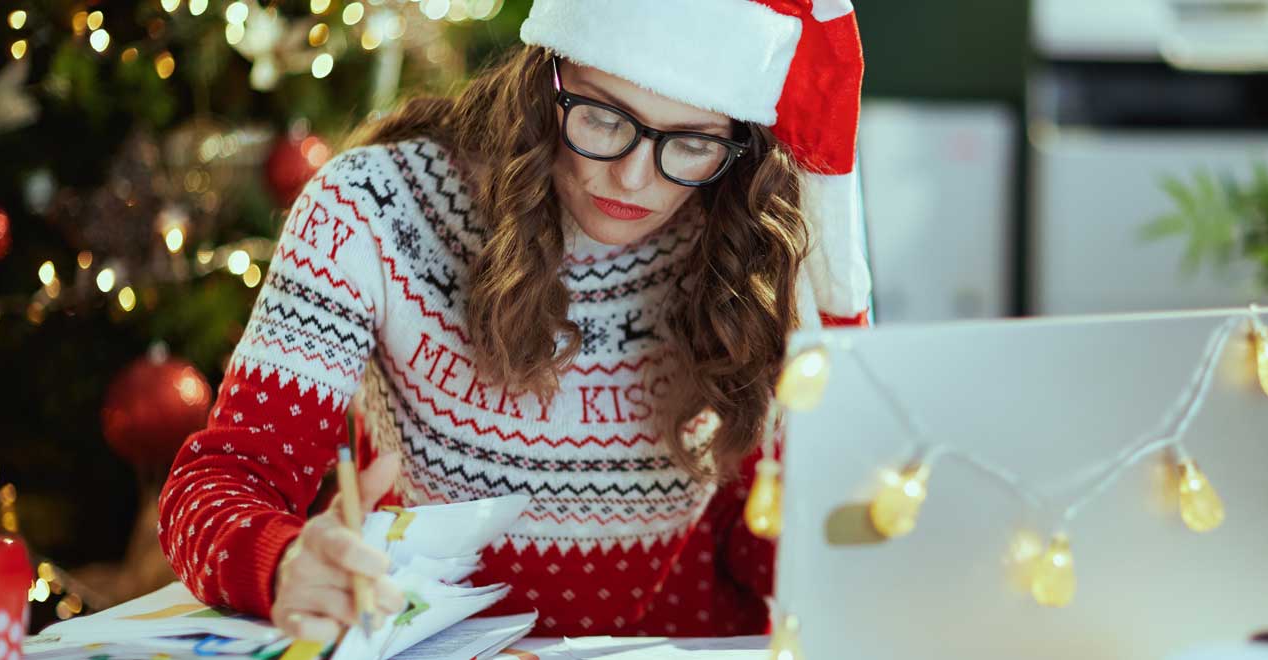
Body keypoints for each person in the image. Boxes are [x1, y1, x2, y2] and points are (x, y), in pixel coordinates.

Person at [157, 0, 871, 643]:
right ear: (544, 76)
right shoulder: (373, 212)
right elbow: (216, 486)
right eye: (602, 117)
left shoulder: (753, 238)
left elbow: (774, 549)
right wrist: (281, 562)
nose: (633, 178)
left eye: (690, 142)